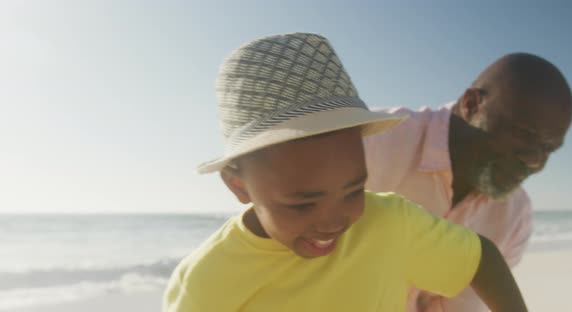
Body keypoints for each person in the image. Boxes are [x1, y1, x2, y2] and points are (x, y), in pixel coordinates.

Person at [162, 33, 528, 311]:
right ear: (239, 186)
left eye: (354, 190)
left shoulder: (389, 223)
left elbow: (481, 258)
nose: (335, 219)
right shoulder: (205, 282)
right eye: (303, 204)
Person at [363, 53, 572, 311]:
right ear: (471, 104)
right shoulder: (368, 144)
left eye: (549, 148)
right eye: (523, 134)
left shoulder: (516, 217)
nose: (535, 161)